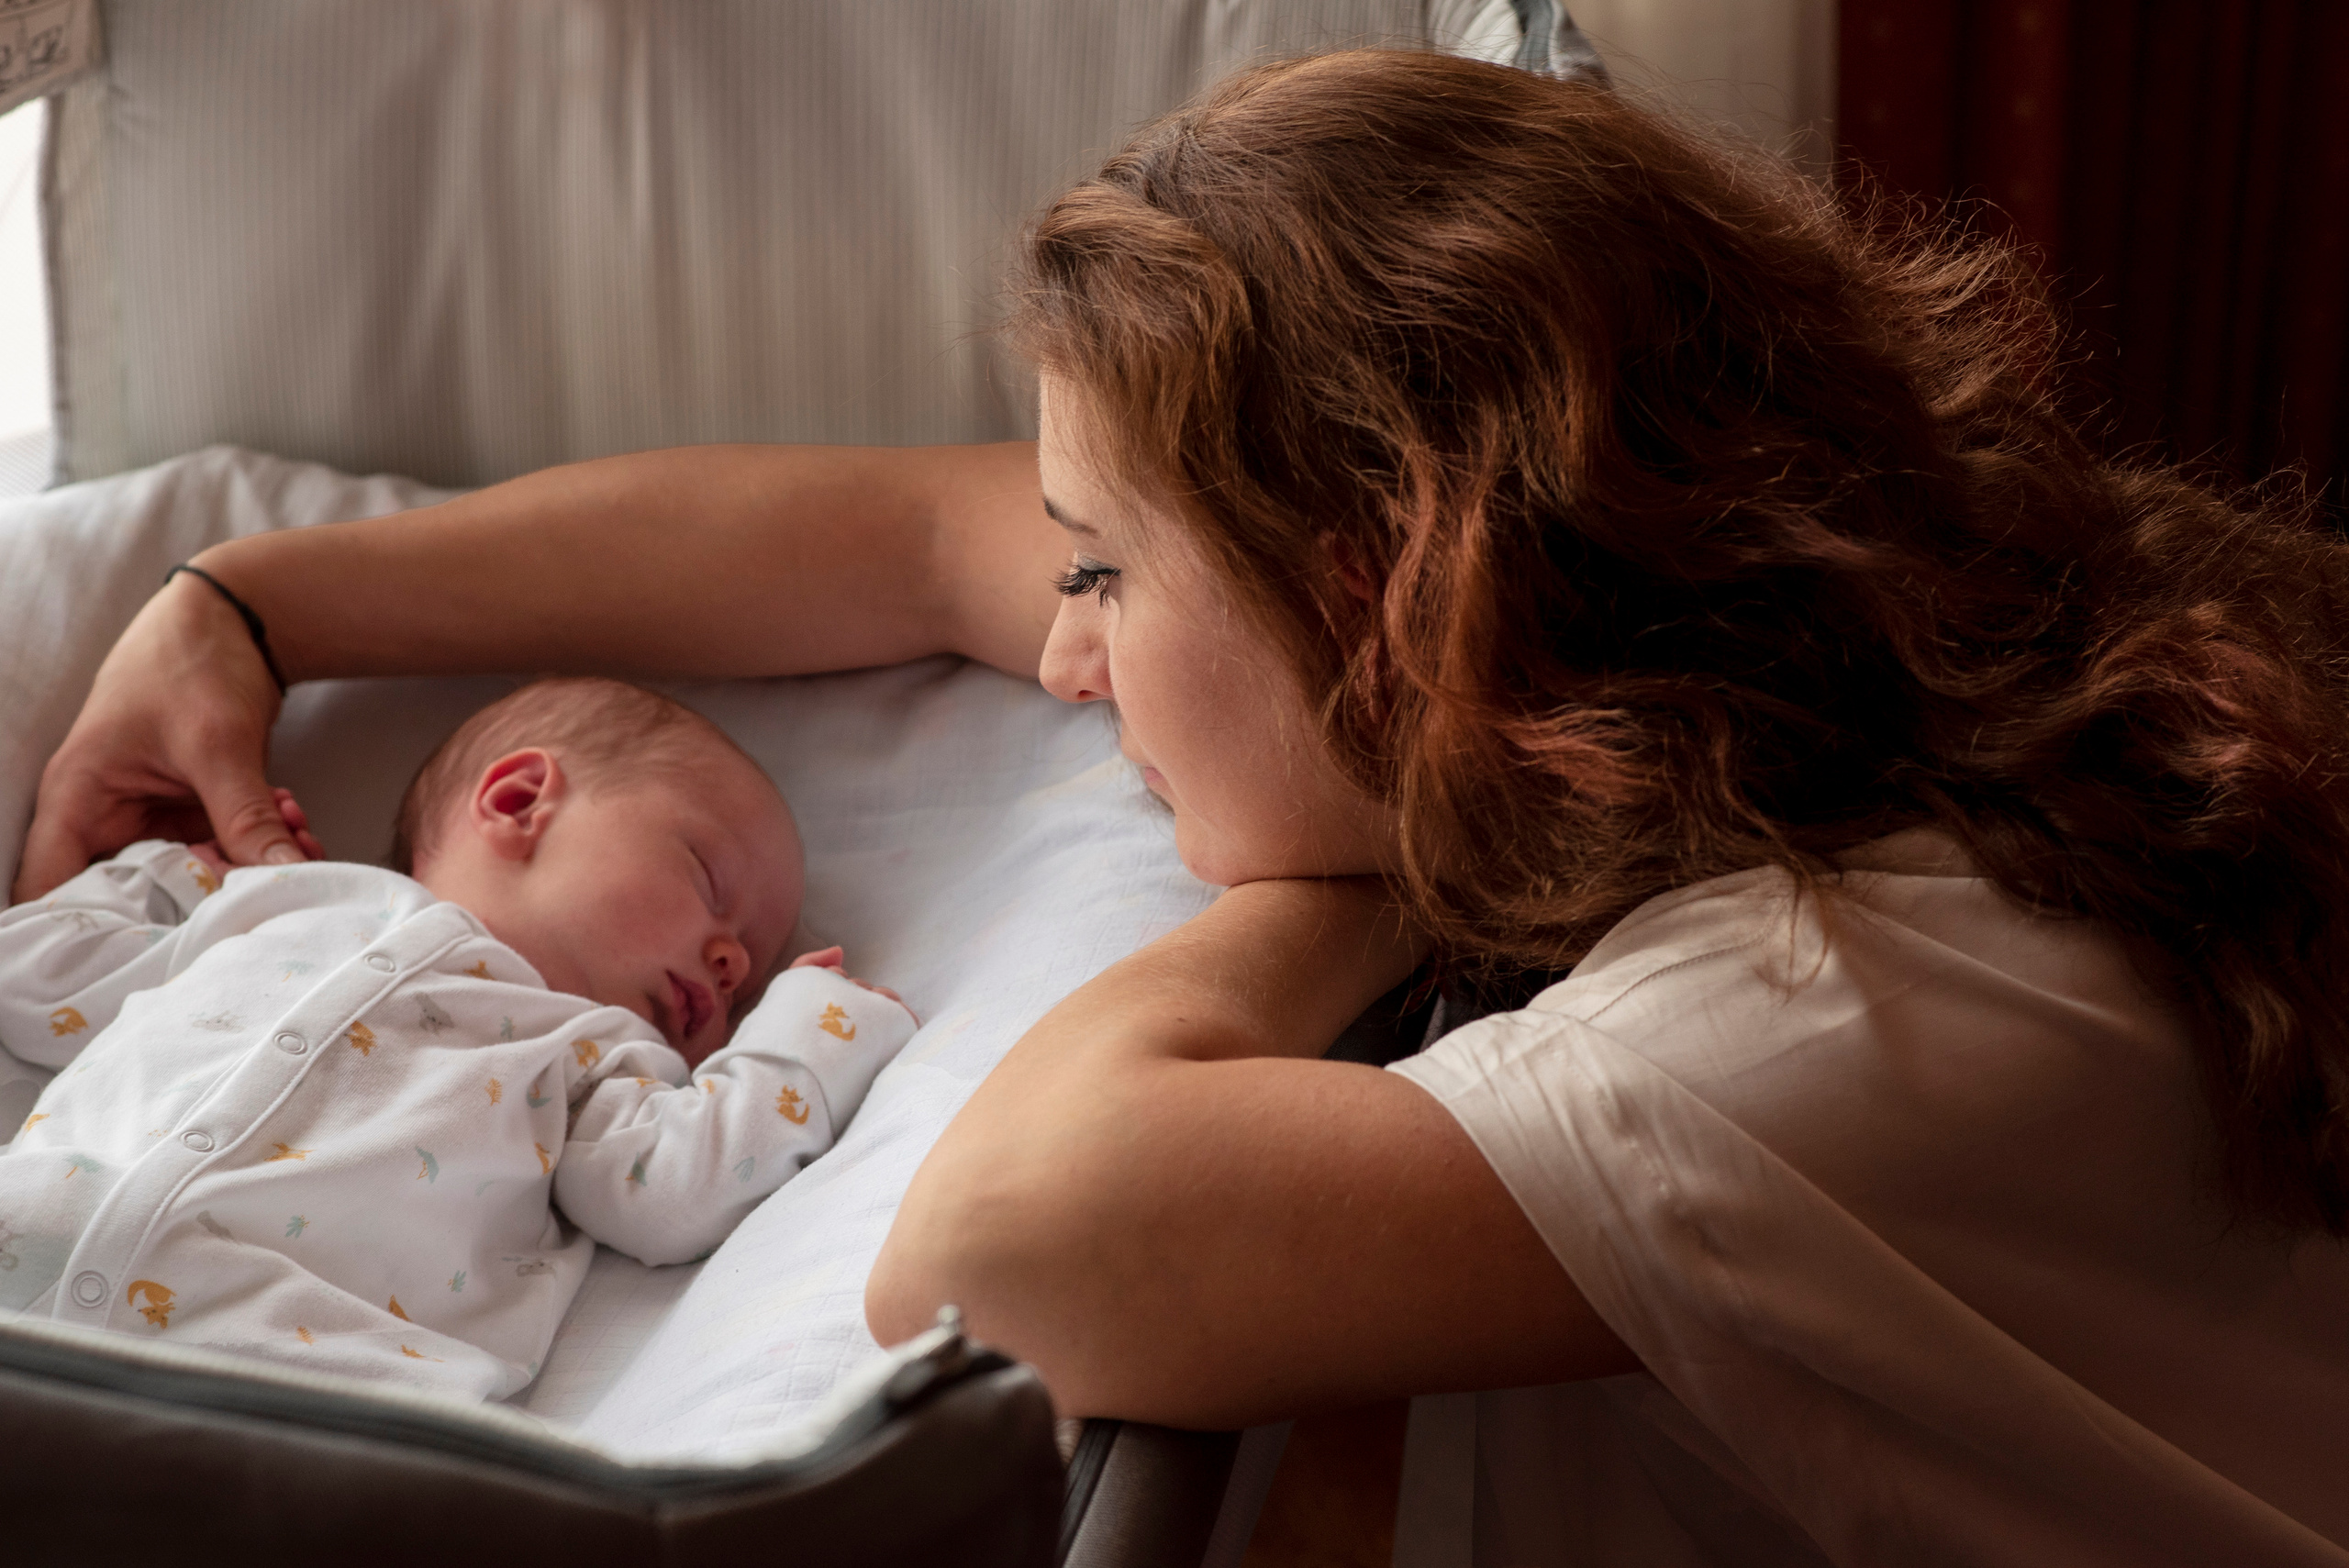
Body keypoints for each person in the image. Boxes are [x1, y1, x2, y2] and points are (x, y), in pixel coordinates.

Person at [14, 45, 2349, 1560]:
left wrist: (1358, 850)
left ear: (1384, 590)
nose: (1057, 652)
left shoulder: (1818, 1002)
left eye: (1106, 574)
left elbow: (1007, 1245)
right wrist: (246, 600)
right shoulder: (1837, 670)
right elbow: (881, 537)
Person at [0, 678, 912, 1399]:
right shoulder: (288, 902)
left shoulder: (594, 1052)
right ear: (518, 800)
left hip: (291, 1379)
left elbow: (674, 1189)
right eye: (708, 882)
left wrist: (810, 1026)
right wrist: (168, 876)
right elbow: (31, 976)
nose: (730, 960)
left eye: (746, 979)